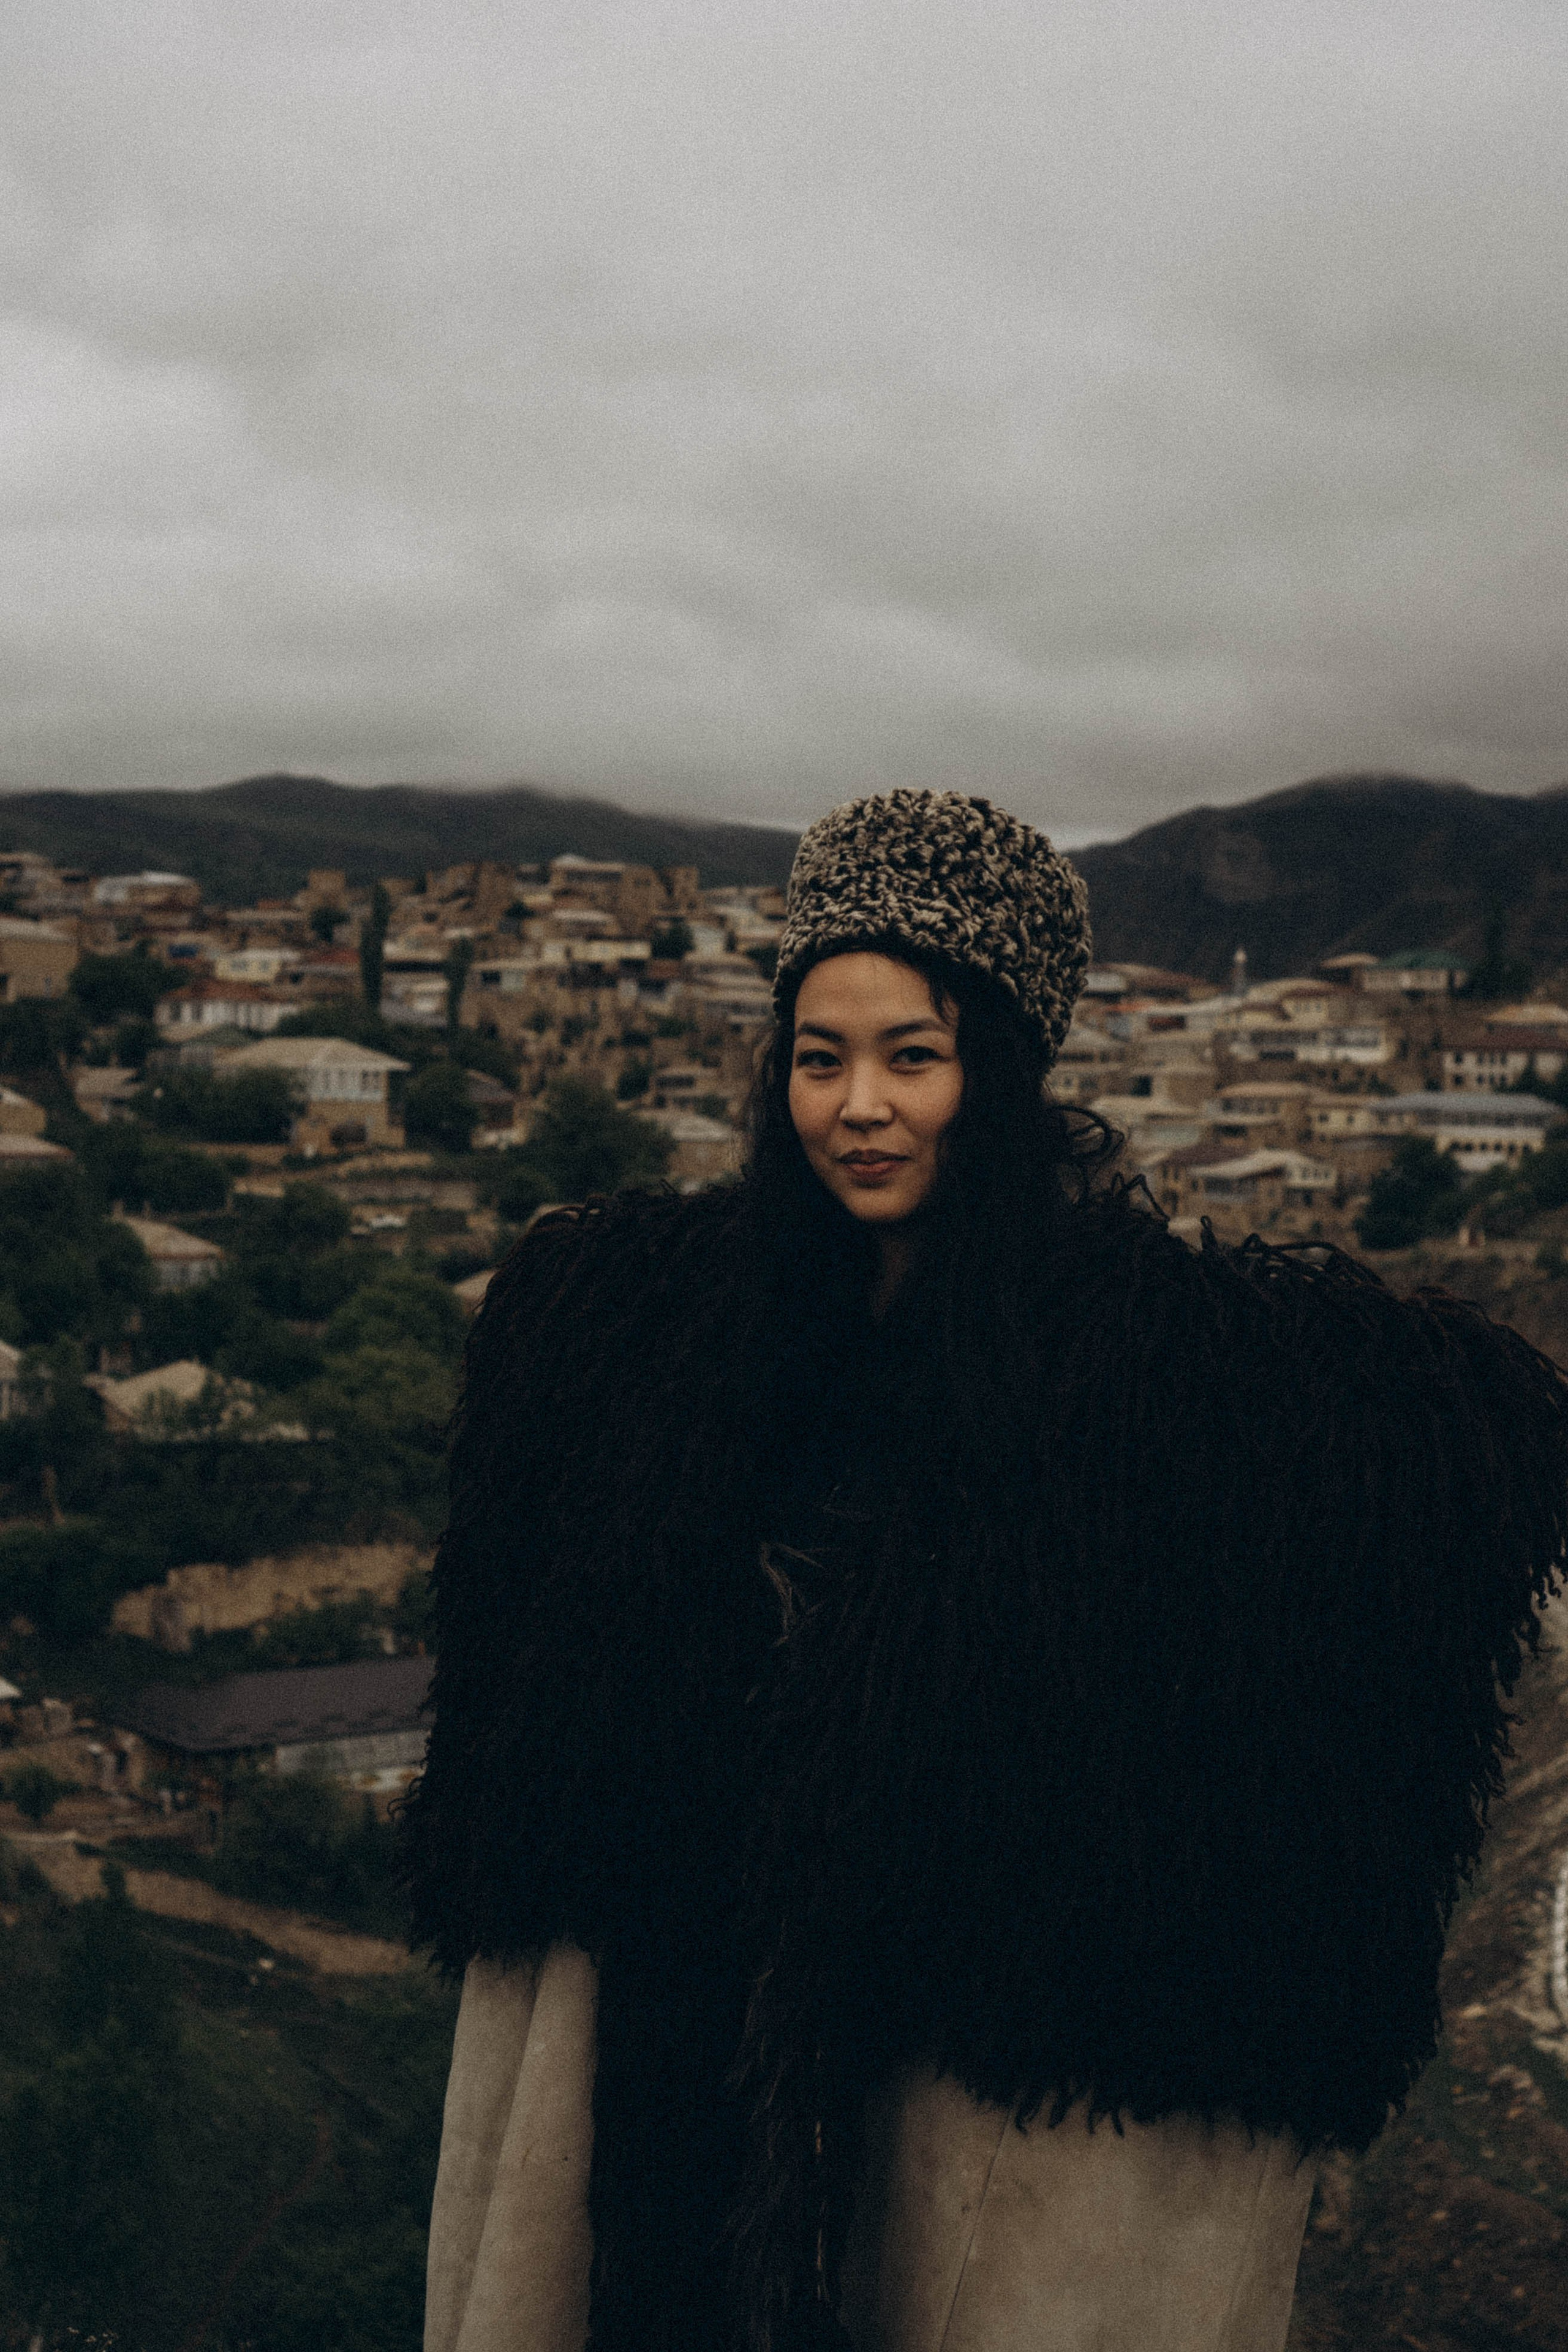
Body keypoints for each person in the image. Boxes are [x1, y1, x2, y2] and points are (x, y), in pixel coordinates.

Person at [407, 790, 1568, 2352]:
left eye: (912, 1057)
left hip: (931, 2055)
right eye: (819, 1060)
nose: (857, 1108)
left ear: (1000, 1076)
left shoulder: (1145, 1380)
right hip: (675, 2002)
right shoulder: (663, 1338)